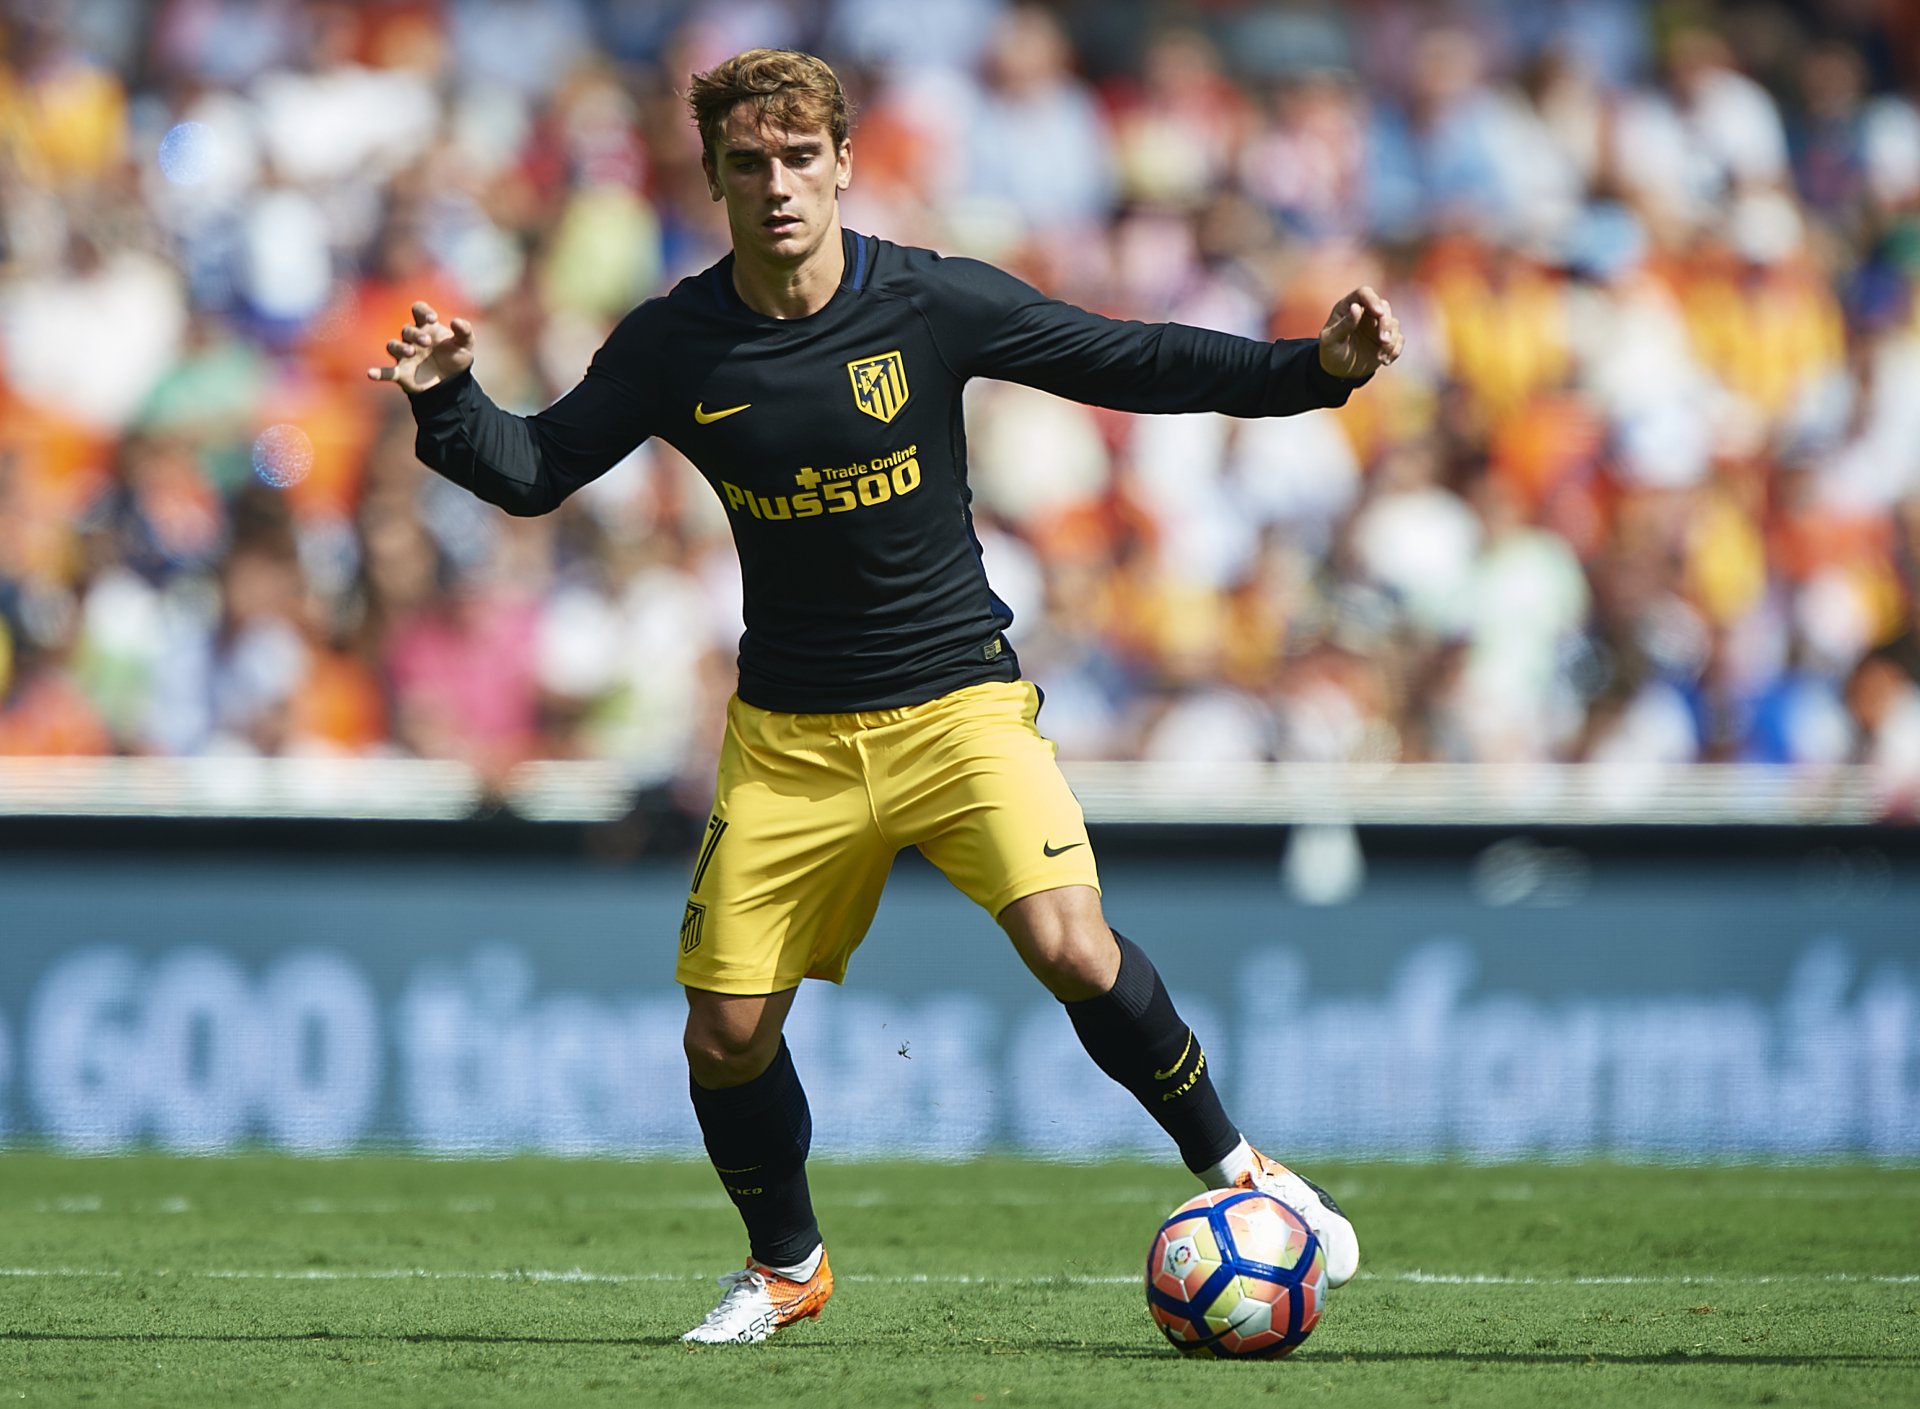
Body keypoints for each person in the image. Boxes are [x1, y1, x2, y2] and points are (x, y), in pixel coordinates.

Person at [370, 48, 1402, 1346]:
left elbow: (1125, 356)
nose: (779, 185)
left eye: (800, 158)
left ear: (844, 164)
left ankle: (1242, 1169)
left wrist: (1317, 368)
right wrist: (451, 402)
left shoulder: (925, 301)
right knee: (725, 1032)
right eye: (749, 164)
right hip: (788, 738)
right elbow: (536, 471)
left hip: (957, 702)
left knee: (1071, 941)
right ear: (717, 180)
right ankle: (788, 1264)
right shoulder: (676, 341)